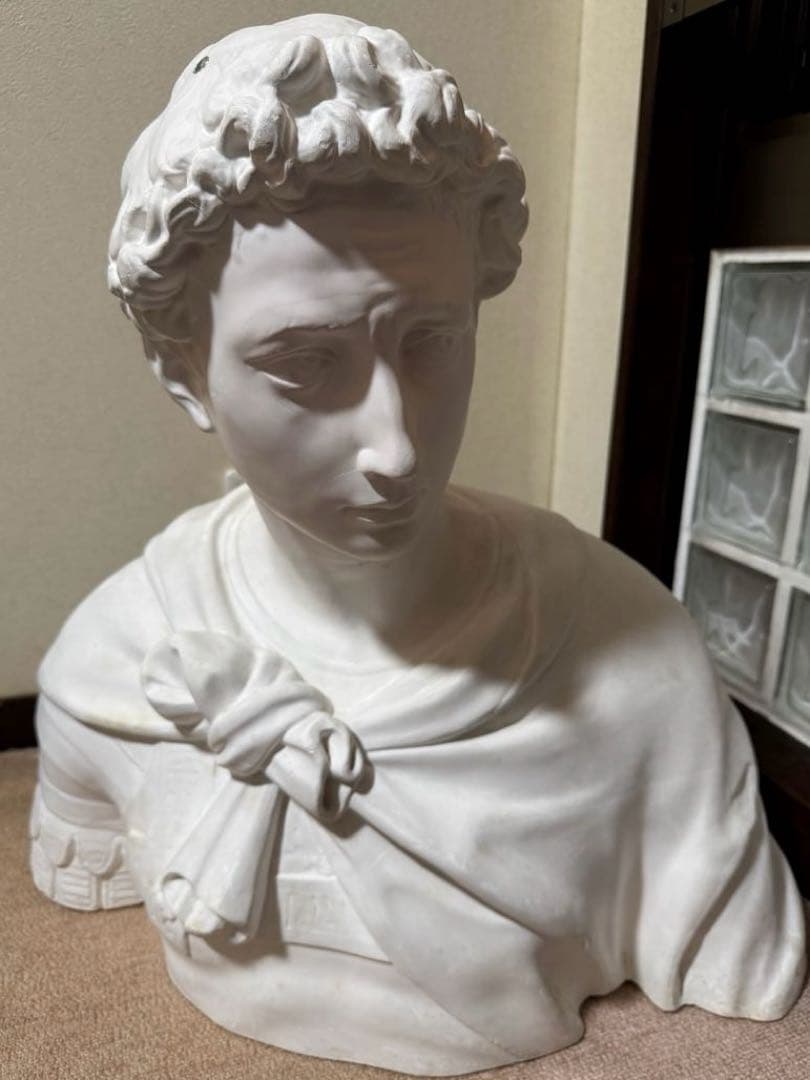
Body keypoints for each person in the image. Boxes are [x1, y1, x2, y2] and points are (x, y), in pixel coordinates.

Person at [31, 15, 806, 1076]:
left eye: (432, 341)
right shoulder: (115, 664)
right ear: (185, 373)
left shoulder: (642, 668)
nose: (395, 448)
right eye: (306, 363)